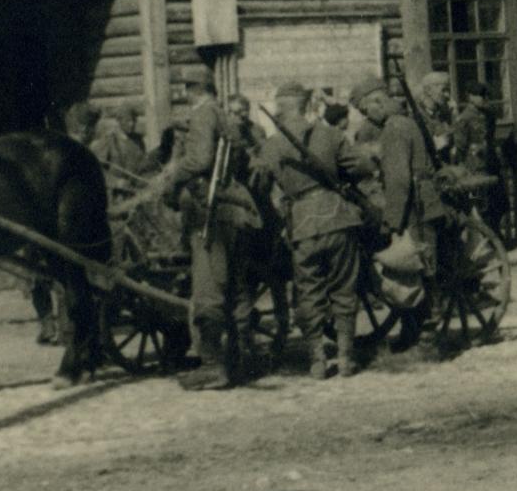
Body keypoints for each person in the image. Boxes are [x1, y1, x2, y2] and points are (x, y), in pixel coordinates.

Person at [253, 82, 373, 380]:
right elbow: (361, 166)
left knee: (309, 292)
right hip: (338, 218)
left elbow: (260, 186)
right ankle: (345, 358)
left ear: (280, 110)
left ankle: (317, 361)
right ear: (307, 106)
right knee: (344, 289)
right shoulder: (330, 135)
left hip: (302, 225)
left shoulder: (272, 145)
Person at [162, 66, 256, 390]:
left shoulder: (203, 114)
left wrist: (171, 177)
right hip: (234, 210)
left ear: (191, 90)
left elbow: (200, 160)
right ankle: (241, 358)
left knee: (207, 289)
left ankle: (214, 366)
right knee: (236, 289)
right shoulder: (226, 115)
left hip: (209, 211)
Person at [351, 74, 449, 351]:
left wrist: (391, 221)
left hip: (414, 208)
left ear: (377, 102)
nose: (366, 116)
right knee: (418, 268)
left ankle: (429, 340)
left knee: (420, 266)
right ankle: (413, 331)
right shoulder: (405, 120)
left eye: (365, 109)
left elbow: (398, 180)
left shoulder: (394, 129)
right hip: (421, 202)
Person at [90, 103, 145, 177]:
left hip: (137, 185)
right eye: (128, 120)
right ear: (119, 121)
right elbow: (99, 169)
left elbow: (143, 165)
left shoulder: (138, 140)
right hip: (117, 187)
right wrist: (116, 182)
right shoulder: (110, 139)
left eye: (134, 120)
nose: (132, 124)